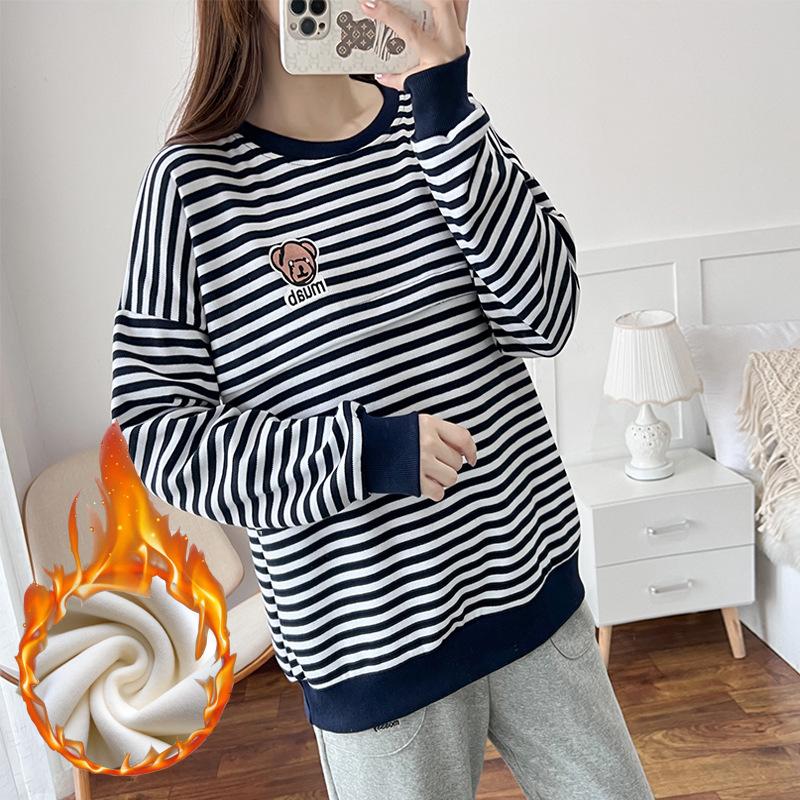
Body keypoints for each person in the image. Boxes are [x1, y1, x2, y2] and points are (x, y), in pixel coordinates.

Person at [110, 1, 654, 797]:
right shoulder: (193, 187)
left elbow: (547, 317)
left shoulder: (436, 118)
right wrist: (366, 452)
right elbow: (164, 439)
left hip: (534, 603)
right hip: (373, 657)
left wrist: (446, 104)